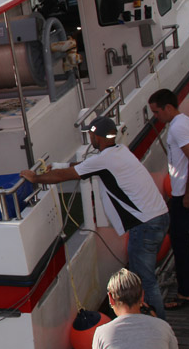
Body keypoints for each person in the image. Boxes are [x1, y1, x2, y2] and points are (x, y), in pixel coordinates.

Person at [21, 116, 170, 319]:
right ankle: (151, 320)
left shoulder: (104, 160)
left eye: (90, 134)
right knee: (145, 276)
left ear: (96, 136)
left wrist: (35, 178)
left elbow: (68, 176)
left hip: (145, 225)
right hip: (160, 216)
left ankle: (158, 326)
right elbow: (88, 165)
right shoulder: (119, 151)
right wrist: (57, 165)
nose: (89, 137)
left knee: (145, 280)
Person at [148, 89, 189, 310]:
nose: (156, 116)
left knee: (180, 241)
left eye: (156, 111)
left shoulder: (177, 128)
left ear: (168, 107)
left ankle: (187, 292)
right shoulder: (186, 121)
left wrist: (188, 193)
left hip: (186, 191)